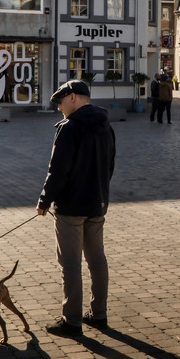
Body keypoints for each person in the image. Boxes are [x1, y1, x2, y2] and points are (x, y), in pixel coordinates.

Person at [37, 79, 116, 336]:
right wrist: (101, 193)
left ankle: (71, 321)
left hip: (71, 207)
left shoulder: (69, 128)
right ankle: (99, 315)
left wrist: (44, 201)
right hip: (98, 203)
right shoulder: (106, 125)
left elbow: (58, 170)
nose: (59, 107)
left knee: (70, 263)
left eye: (60, 102)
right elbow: (109, 167)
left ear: (72, 97)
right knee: (97, 260)